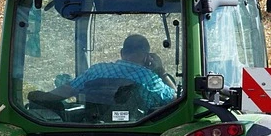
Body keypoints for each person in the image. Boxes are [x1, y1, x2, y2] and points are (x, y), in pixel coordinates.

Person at [31, 33, 176, 109]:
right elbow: (175, 100)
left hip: (92, 132)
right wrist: (161, 72)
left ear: (122, 53)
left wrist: (44, 97)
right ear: (146, 56)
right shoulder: (148, 78)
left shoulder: (97, 70)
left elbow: (68, 89)